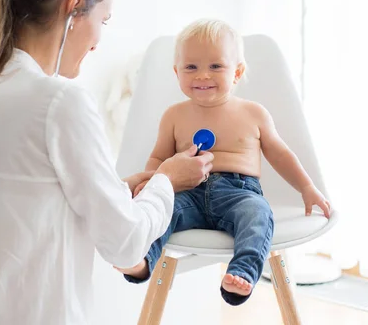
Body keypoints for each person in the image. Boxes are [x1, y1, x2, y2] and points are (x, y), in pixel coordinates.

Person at [0, 0, 214, 325]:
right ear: (75, 6)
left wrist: (113, 190)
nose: (99, 40)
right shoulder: (59, 103)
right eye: (103, 20)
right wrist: (166, 181)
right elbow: (125, 244)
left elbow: (14, 205)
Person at [118, 18, 331, 306]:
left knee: (257, 215)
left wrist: (306, 187)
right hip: (187, 192)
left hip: (239, 193)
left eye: (215, 66)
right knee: (160, 213)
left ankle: (242, 273)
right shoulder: (174, 116)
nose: (203, 75)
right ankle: (141, 258)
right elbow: (159, 157)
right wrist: (150, 183)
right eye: (191, 67)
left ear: (237, 72)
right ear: (176, 72)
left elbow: (281, 154)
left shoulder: (254, 113)